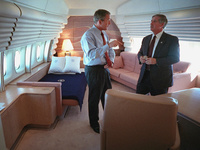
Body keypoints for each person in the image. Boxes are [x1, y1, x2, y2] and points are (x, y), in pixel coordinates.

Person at [81, 9, 122, 133]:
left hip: (104, 69)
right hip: (93, 70)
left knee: (107, 95)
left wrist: (112, 61)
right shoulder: (88, 35)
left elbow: (109, 51)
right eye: (108, 20)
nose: (109, 23)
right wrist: (109, 45)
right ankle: (94, 122)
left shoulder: (104, 34)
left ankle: (108, 118)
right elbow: (92, 54)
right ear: (100, 21)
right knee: (94, 97)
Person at [136, 14, 180, 96]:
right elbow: (140, 52)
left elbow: (175, 58)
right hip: (144, 76)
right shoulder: (146, 39)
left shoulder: (171, 40)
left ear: (162, 24)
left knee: (158, 105)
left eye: (154, 21)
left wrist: (156, 61)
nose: (151, 23)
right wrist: (140, 58)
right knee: (138, 100)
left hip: (160, 79)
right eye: (151, 21)